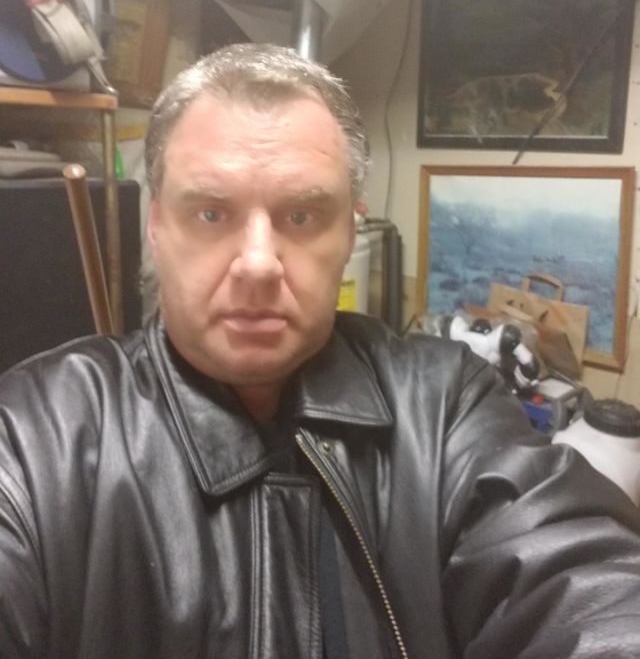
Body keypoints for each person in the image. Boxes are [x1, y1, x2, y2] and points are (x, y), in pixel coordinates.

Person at [0, 43, 639, 659]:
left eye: (302, 216)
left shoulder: (445, 406)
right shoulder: (36, 437)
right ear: (157, 225)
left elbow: (581, 587)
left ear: (351, 232)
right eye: (211, 214)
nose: (258, 264)